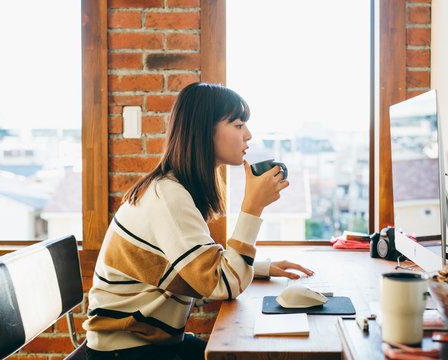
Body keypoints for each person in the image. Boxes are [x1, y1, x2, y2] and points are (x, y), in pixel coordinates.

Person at [83, 82, 313, 360]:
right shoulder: (167, 196)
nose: (248, 135)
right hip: (125, 350)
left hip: (144, 343)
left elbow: (198, 268)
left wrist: (260, 267)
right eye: (239, 125)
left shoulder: (174, 188)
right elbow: (224, 285)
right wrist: (253, 207)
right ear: (205, 131)